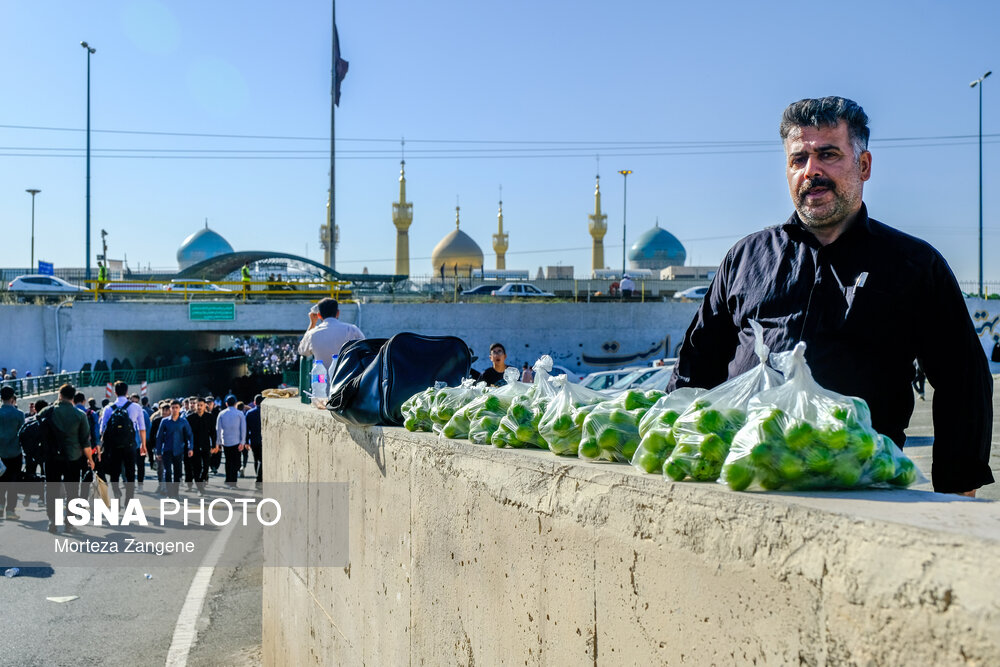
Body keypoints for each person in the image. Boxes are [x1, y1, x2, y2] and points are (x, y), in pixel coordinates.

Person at [668, 96, 993, 496]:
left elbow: (964, 380)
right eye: (798, 159)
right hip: (741, 485)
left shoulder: (914, 265)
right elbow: (694, 366)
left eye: (828, 154)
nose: (811, 171)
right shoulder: (745, 258)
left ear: (864, 165)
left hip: (864, 491)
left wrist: (957, 486)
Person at [40, 384, 95, 534]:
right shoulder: (79, 415)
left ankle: (52, 520)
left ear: (60, 395)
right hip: (73, 457)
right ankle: (69, 522)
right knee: (72, 490)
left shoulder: (47, 412)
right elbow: (85, 441)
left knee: (51, 489)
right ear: (73, 397)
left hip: (51, 457)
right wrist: (90, 459)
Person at [98, 382, 147, 505]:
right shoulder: (136, 407)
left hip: (114, 446)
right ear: (127, 392)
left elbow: (102, 429)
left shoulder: (108, 408)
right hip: (130, 445)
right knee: (130, 473)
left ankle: (116, 493)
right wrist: (143, 445)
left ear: (115, 392)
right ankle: (128, 500)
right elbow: (142, 428)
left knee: (114, 473)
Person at [298, 298, 364, 374]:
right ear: (338, 313)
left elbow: (302, 350)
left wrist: (312, 323)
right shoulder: (352, 329)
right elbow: (365, 349)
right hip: (345, 382)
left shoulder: (312, 333)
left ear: (319, 315)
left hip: (321, 382)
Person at [155, 400, 193, 498]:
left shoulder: (183, 421)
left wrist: (190, 448)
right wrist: (158, 451)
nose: (175, 410)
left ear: (180, 408)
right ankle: (169, 493)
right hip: (167, 450)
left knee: (178, 473)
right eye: (173, 408)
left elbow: (190, 435)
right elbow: (159, 437)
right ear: (170, 409)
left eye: (177, 407)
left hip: (178, 450)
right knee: (167, 472)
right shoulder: (165, 421)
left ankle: (176, 493)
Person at [0, 386, 26, 521]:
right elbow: (22, 433)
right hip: (15, 452)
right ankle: (10, 510)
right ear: (12, 398)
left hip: (0, 454)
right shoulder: (19, 414)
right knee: (13, 482)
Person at [215, 395, 247, 489]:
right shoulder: (240, 413)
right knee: (236, 461)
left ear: (226, 404)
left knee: (228, 461)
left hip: (226, 441)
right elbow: (243, 428)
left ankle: (228, 480)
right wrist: (243, 442)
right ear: (235, 403)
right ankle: (233, 481)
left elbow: (218, 429)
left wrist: (218, 442)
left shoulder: (221, 413)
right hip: (236, 441)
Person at [186, 397, 216, 495]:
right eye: (197, 405)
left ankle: (203, 479)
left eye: (201, 405)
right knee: (196, 468)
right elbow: (187, 434)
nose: (199, 407)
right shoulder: (190, 418)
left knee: (206, 467)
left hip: (206, 445)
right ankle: (200, 488)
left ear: (204, 406)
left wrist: (214, 445)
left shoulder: (210, 417)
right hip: (194, 446)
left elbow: (212, 432)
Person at [245, 394, 263, 485]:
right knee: (262, 460)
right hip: (262, 440)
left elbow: (246, 428)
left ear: (254, 402)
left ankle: (257, 474)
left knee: (256, 459)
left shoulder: (249, 413)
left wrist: (246, 441)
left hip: (253, 440)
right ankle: (259, 478)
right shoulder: (265, 412)